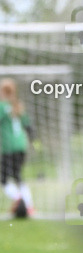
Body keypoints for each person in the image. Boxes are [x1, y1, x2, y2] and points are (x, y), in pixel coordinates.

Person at [0, 78, 35, 215]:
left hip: (9, 147)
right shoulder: (18, 105)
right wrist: (34, 141)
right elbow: (28, 126)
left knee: (3, 178)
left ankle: (19, 200)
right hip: (21, 146)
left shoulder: (2, 106)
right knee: (17, 176)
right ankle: (30, 206)